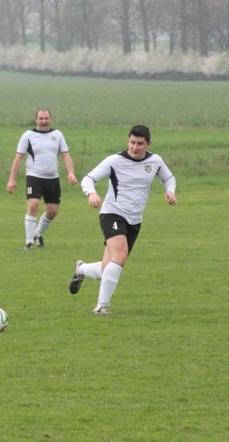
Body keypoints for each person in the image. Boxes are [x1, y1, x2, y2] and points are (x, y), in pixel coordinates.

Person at [68, 125, 177, 315]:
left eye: (140, 144)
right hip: (112, 213)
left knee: (107, 268)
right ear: (128, 141)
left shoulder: (155, 161)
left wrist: (170, 191)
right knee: (120, 256)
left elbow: (169, 178)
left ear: (148, 144)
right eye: (132, 142)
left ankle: (82, 269)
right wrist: (91, 193)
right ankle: (102, 307)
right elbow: (88, 179)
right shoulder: (115, 161)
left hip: (134, 220)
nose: (135, 147)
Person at [7, 108, 77, 250]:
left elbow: (65, 155)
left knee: (52, 211)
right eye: (41, 118)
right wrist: (12, 180)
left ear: (50, 119)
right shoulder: (28, 135)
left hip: (52, 178)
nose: (43, 121)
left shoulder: (57, 135)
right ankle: (28, 242)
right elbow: (18, 157)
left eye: (46, 118)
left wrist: (71, 173)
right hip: (34, 177)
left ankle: (37, 234)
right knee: (33, 206)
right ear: (36, 119)